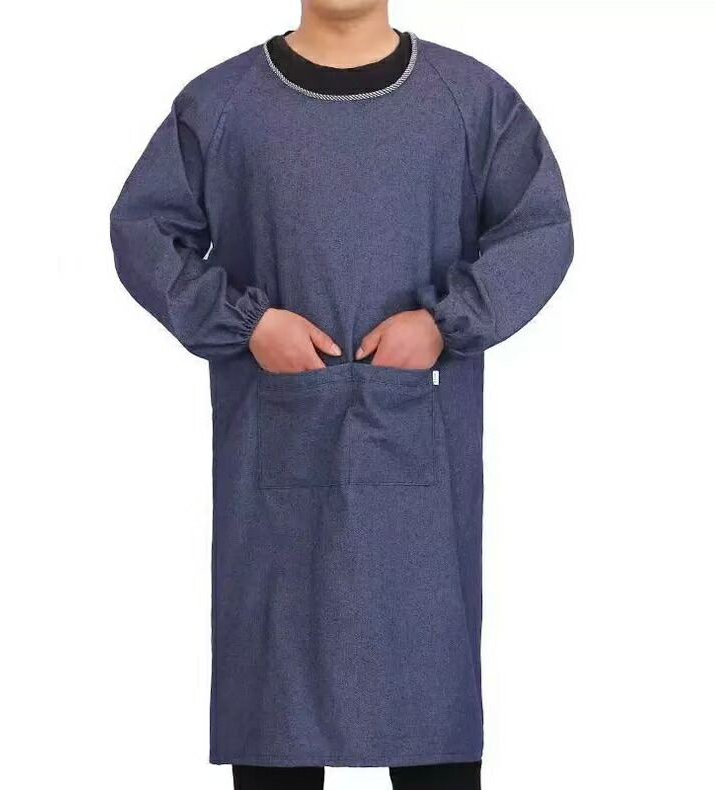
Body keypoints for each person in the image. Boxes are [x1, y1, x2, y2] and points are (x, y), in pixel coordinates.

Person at [110, 0, 573, 787]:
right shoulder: (224, 106)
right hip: (276, 475)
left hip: (420, 470)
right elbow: (144, 231)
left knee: (430, 726)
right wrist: (247, 323)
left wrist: (446, 322)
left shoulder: (469, 102)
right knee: (278, 728)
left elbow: (541, 229)